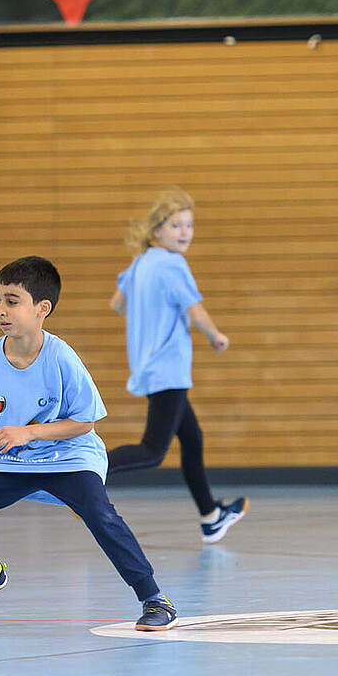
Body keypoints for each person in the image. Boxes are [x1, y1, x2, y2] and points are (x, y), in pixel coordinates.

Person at [0, 256, 178, 632]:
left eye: (12, 301)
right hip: (13, 461)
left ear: (42, 309)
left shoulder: (61, 357)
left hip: (71, 456)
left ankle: (155, 599)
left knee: (101, 516)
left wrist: (28, 432)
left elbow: (85, 421)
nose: (1, 310)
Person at [108, 187, 246, 544]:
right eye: (175, 225)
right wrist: (216, 335)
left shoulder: (141, 263)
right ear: (157, 231)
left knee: (193, 440)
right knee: (152, 451)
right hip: (167, 368)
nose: (185, 232)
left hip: (152, 366)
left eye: (189, 225)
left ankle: (211, 516)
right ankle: (84, 477)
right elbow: (194, 309)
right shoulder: (172, 264)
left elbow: (118, 304)